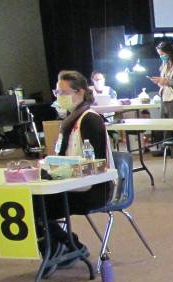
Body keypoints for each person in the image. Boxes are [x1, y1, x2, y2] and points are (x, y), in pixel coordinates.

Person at [40, 70, 116, 270]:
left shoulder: (89, 119)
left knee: (36, 206)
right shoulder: (71, 119)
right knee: (29, 201)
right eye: (57, 93)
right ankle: (63, 246)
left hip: (94, 190)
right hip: (71, 184)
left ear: (80, 92)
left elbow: (97, 165)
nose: (59, 97)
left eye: (63, 92)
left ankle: (68, 246)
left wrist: (62, 171)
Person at [148, 41, 173, 156]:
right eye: (159, 54)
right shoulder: (165, 66)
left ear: (169, 53)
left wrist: (163, 80)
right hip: (165, 96)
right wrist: (159, 81)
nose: (161, 56)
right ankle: (166, 147)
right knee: (165, 123)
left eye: (162, 54)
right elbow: (165, 81)